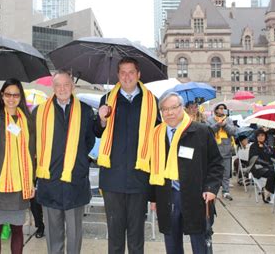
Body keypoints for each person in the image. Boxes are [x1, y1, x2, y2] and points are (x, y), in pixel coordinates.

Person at [94, 57, 160, 254]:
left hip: (139, 178)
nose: (127, 76)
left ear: (139, 75)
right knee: (114, 236)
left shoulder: (151, 101)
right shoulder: (106, 100)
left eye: (131, 72)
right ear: (117, 75)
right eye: (123, 72)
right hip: (112, 178)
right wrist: (102, 119)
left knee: (136, 235)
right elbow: (97, 132)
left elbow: (157, 139)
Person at [149, 91, 223, 254]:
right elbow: (151, 168)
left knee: (200, 244)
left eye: (174, 107)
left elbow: (216, 164)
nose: (169, 113)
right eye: (165, 109)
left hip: (196, 196)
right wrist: (153, 198)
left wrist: (211, 189)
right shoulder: (156, 135)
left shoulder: (201, 131)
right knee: (172, 243)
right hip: (167, 195)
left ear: (182, 107)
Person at [33, 70, 95, 254]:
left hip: (75, 181)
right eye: (58, 85)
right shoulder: (40, 111)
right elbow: (33, 141)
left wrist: (79, 163)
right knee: (53, 234)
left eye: (66, 84)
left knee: (75, 233)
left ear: (73, 86)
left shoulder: (84, 110)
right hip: (49, 181)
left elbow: (89, 140)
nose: (62, 89)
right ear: (52, 88)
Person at [0, 78, 35, 254]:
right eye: (8, 94)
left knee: (18, 229)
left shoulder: (28, 120)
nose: (12, 98)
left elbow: (32, 152)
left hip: (20, 184)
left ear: (20, 97)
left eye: (16, 95)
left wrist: (32, 181)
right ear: (2, 95)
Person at [207, 103, 236, 201]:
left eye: (224, 109)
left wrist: (225, 125)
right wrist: (218, 125)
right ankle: (212, 191)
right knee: (213, 172)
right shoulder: (210, 120)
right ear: (215, 110)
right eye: (220, 108)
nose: (222, 110)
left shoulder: (228, 120)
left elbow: (233, 131)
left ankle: (226, 191)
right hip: (214, 151)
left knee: (226, 173)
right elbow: (208, 131)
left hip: (226, 150)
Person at [248, 129, 275, 203]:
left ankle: (268, 190)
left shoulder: (267, 146)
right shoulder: (253, 146)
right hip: (257, 167)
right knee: (272, 172)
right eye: (259, 136)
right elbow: (255, 159)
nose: (261, 137)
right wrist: (268, 164)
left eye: (262, 135)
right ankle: (266, 190)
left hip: (268, 166)